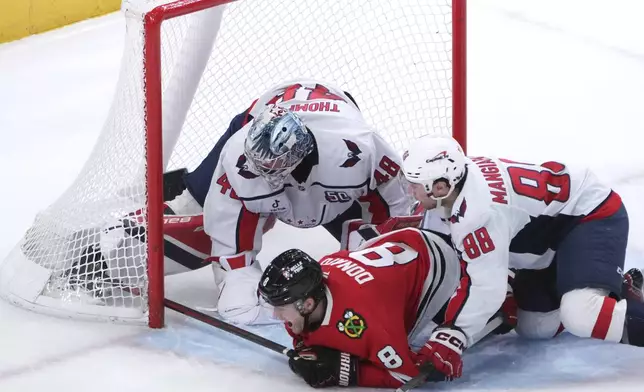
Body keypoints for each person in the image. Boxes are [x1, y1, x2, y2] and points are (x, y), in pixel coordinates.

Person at [158, 79, 412, 325]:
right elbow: (230, 248)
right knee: (236, 299)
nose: (261, 176)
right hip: (262, 111)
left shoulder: (363, 151)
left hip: (333, 125)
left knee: (379, 265)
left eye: (273, 168)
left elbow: (398, 213)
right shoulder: (238, 157)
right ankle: (173, 208)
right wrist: (237, 277)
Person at [399, 134, 644, 381]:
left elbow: (485, 287)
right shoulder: (460, 178)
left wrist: (452, 335)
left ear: (440, 187)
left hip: (590, 213)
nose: (411, 190)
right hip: (551, 235)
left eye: (415, 183)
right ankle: (598, 280)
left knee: (581, 314)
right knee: (535, 327)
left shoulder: (479, 214)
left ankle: (597, 289)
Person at [258, 227, 466, 388]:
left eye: (281, 307)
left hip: (436, 261)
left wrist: (351, 373)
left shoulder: (369, 323)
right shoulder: (309, 297)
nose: (276, 315)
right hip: (401, 241)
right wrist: (308, 353)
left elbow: (409, 375)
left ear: (308, 304)